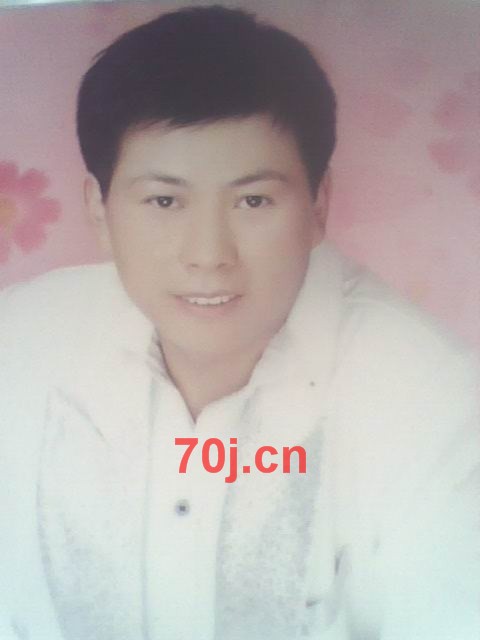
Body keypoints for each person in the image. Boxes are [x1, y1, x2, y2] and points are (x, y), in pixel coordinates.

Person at [0, 5, 478, 639]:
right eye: (164, 200)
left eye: (253, 200)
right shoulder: (20, 342)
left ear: (318, 205)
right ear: (99, 209)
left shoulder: (429, 397)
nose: (209, 255)